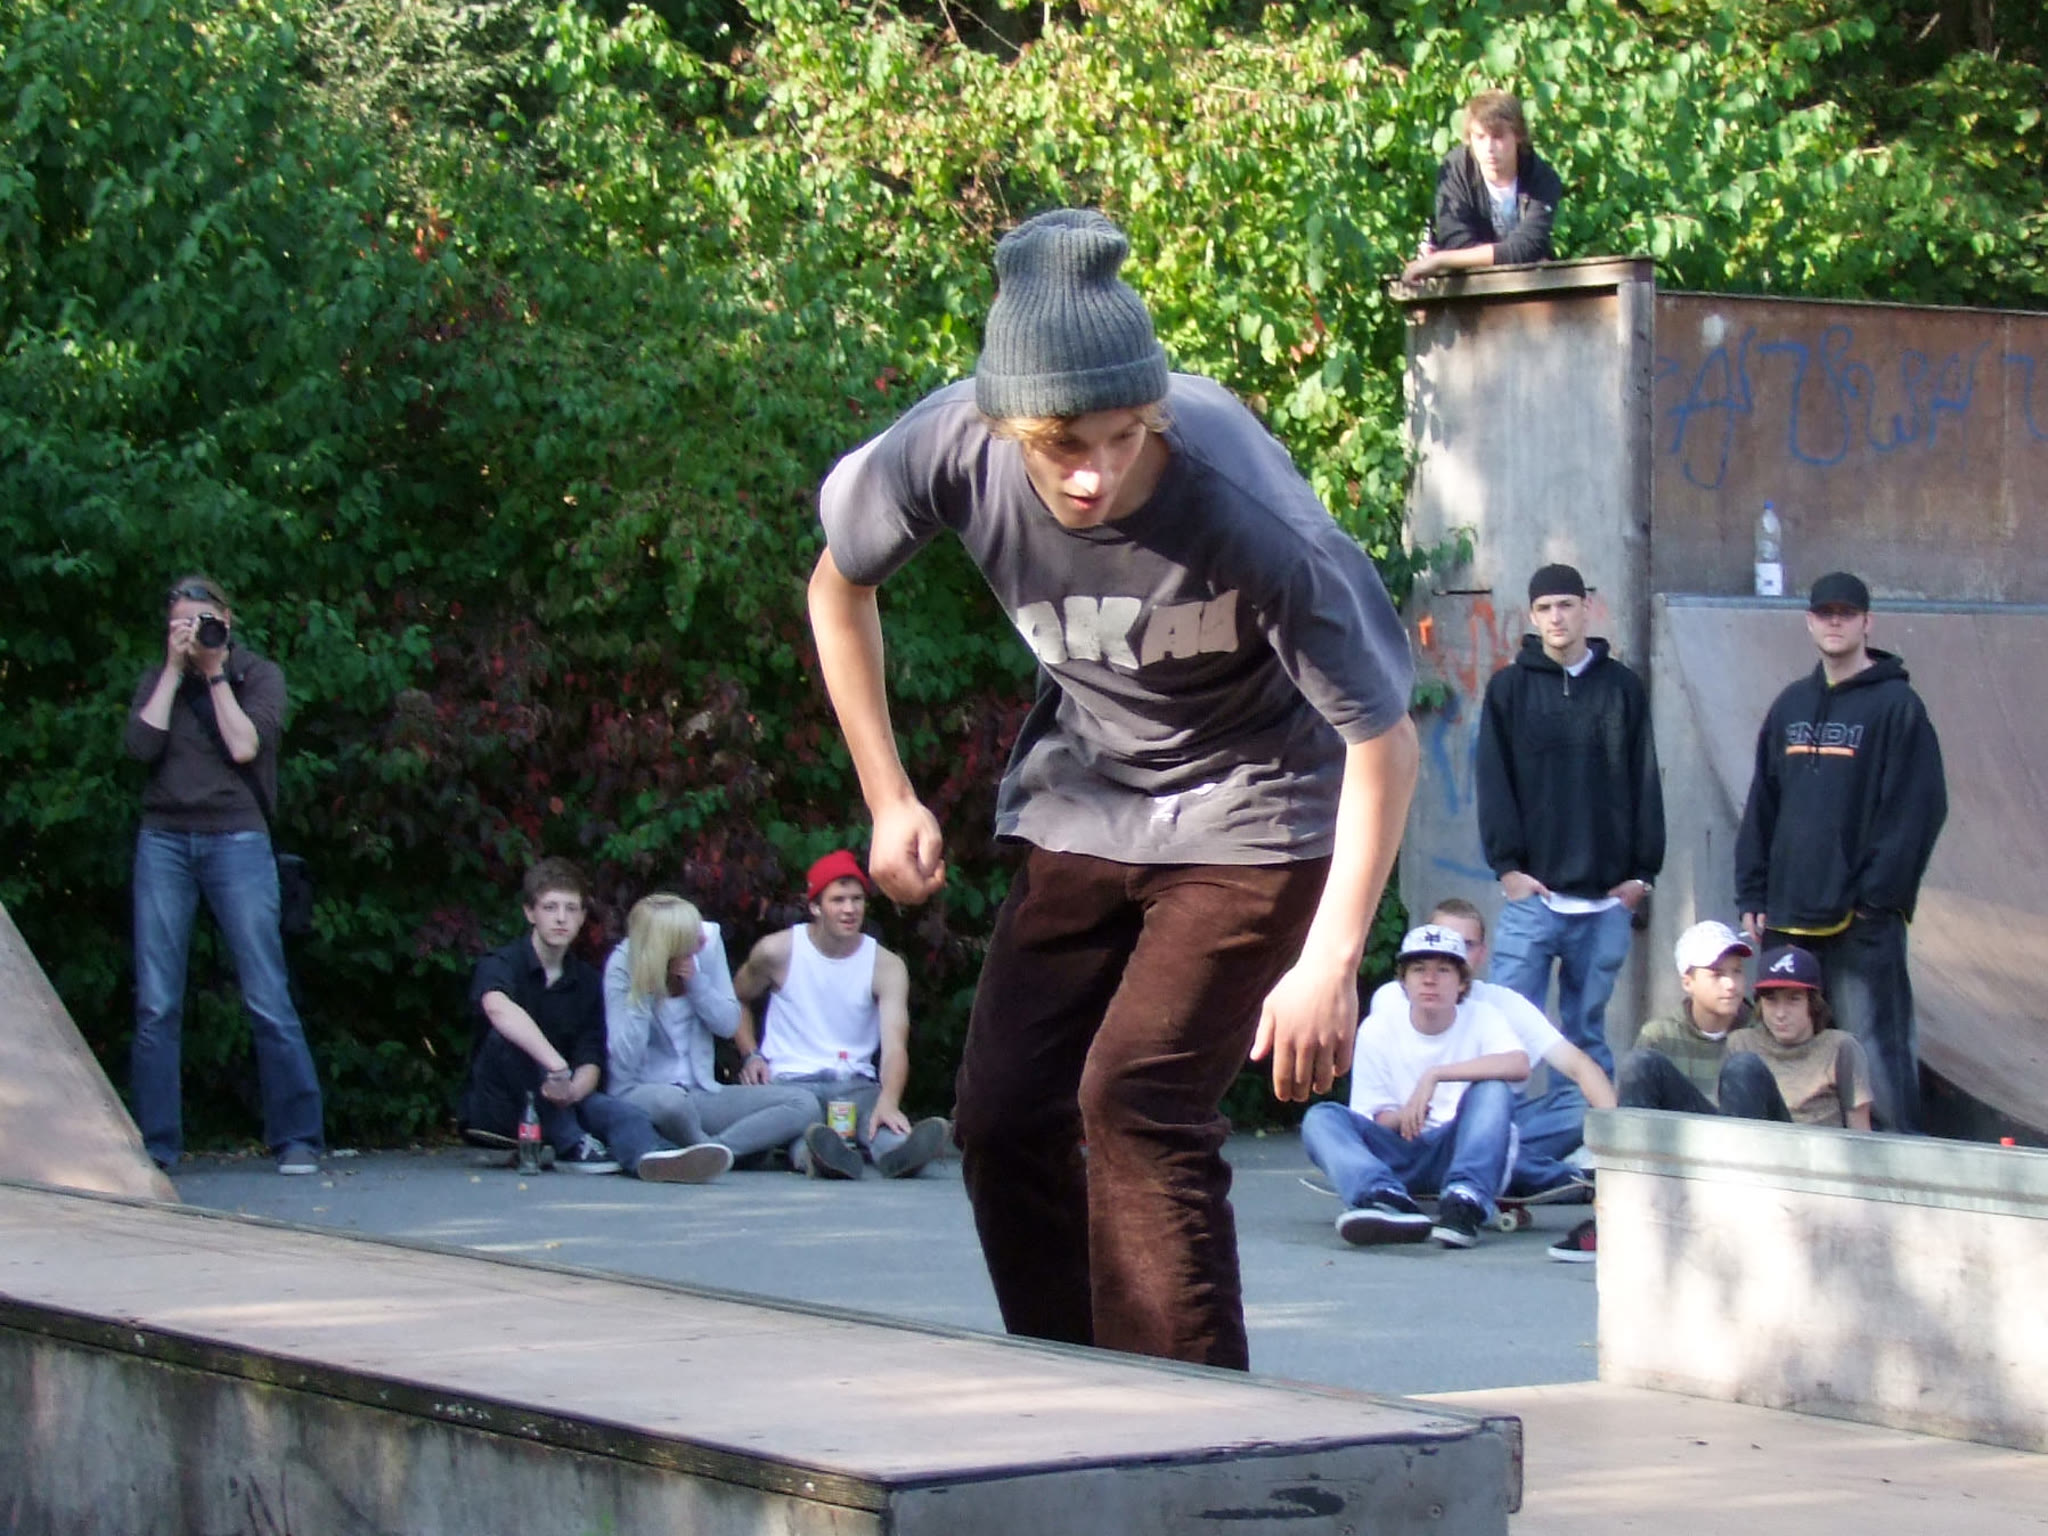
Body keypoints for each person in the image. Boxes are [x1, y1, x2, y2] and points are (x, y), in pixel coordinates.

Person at [808, 208, 1418, 1368]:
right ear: (1005, 425)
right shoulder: (945, 447)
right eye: (1061, 447)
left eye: (1124, 438)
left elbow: (1382, 741)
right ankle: (1073, 1390)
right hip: (1090, 795)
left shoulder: (1246, 509)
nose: (1095, 474)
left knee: (1136, 1102)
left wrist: (1329, 959)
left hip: (1256, 807)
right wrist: (887, 797)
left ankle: (1190, 1428)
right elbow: (837, 589)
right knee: (1000, 1116)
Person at [124, 575, 324, 1175]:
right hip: (164, 839)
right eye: (179, 624)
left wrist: (214, 674)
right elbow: (139, 747)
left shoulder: (257, 675)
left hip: (236, 837)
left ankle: (298, 1137)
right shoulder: (159, 677)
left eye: (201, 621)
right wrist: (173, 669)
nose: (192, 633)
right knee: (157, 1002)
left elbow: (244, 746)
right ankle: (157, 1144)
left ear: (226, 619)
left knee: (265, 992)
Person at [1736, 570, 1947, 1133]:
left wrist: (1877, 899)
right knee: (1781, 1055)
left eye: (1846, 614)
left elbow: (1919, 809)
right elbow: (1762, 805)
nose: (1835, 622)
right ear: (1809, 622)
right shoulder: (1790, 705)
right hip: (1788, 919)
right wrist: (1753, 892)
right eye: (1824, 613)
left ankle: (1898, 1170)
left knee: (1876, 1054)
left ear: (1866, 622)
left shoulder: (1898, 706)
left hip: (1862, 924)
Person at [1476, 563, 1663, 1076]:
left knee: (1586, 1039)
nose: (1556, 617)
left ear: (1587, 609)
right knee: (1506, 1037)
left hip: (1605, 903)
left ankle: (1582, 1129)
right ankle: (1500, 1130)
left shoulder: (1622, 688)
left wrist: (1642, 875)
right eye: (1544, 608)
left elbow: (1645, 779)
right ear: (1532, 617)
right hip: (1532, 901)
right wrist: (1508, 869)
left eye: (1565, 605)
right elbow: (1493, 782)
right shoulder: (1508, 689)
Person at [459, 858, 727, 1182]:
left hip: (562, 1098)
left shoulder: (586, 980)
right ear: (530, 913)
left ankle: (655, 1157)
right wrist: (557, 1067)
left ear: (583, 916)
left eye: (571, 909)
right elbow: (498, 1009)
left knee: (623, 1114)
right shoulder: (502, 962)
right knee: (509, 1038)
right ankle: (573, 1143)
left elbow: (592, 1054)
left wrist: (572, 1090)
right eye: (550, 907)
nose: (561, 918)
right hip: (502, 1107)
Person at [1366, 897, 1612, 1198]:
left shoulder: (1501, 1003)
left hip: (1493, 1129)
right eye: (1444, 940)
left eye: (1466, 945)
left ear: (1482, 953)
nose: (1454, 952)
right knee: (1327, 1119)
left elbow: (1579, 1066)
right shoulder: (1395, 997)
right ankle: (1553, 1176)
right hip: (1416, 1133)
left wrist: (1619, 1148)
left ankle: (1506, 1168)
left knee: (1580, 1104)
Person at [1303, 925, 1529, 1250]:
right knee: (1321, 1117)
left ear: (1462, 982)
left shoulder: (1483, 1016)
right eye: (1419, 969)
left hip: (1458, 1149)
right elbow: (1373, 1118)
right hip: (1398, 1152)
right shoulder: (1378, 1029)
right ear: (1404, 982)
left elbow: (1519, 1064)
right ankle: (1384, 1198)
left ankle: (1464, 1203)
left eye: (1443, 970)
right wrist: (1407, 1114)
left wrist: (1435, 1075)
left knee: (1494, 1089)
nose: (1429, 980)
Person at [730, 851, 949, 1181]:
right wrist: (751, 1055)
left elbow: (894, 1046)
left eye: (857, 899)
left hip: (854, 1082)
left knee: (880, 1121)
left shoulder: (886, 965)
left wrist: (889, 1100)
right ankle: (818, 1158)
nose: (850, 909)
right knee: (803, 1124)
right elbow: (735, 999)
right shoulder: (777, 951)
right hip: (791, 1083)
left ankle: (901, 1153)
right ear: (815, 907)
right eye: (838, 900)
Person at [603, 893, 821, 1166]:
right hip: (643, 1093)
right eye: (690, 936)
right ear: (667, 944)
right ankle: (719, 1149)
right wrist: (645, 990)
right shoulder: (622, 963)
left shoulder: (705, 948)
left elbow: (728, 1025)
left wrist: (697, 985)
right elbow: (624, 1060)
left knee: (804, 1103)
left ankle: (714, 1151)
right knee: (672, 1102)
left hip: (700, 1092)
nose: (702, 939)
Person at [1402, 89, 1564, 283]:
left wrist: (1440, 259)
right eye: (1480, 137)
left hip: (1530, 284)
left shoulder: (1542, 177)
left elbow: (1527, 247)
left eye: (1498, 137)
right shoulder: (1455, 170)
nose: (1489, 148)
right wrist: (1454, 256)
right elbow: (1456, 242)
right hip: (1470, 287)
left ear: (1518, 136)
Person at [1613, 919, 1756, 1115]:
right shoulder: (1660, 1036)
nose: (1731, 984)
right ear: (1688, 983)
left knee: (1744, 1067)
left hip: (1748, 1131)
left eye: (1737, 971)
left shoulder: (1760, 1029)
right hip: (1680, 1131)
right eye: (1717, 974)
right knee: (1640, 1064)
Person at [1725, 945, 1874, 1130]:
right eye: (1771, 1000)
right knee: (1742, 1066)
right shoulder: (1741, 1042)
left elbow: (1860, 1130)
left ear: (1812, 1003)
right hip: (1754, 1140)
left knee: (1743, 1065)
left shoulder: (1840, 1046)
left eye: (1793, 999)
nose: (1780, 1014)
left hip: (1811, 1144)